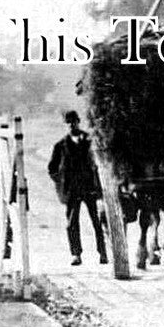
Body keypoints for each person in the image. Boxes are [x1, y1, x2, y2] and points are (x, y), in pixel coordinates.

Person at [48, 110, 108, 266]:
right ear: (65, 125)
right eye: (68, 122)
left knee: (97, 221)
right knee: (72, 223)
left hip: (89, 188)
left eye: (73, 121)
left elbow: (99, 163)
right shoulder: (61, 145)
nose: (71, 125)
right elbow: (52, 168)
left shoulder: (90, 141)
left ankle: (103, 253)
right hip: (72, 190)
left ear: (78, 121)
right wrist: (61, 184)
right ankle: (76, 254)